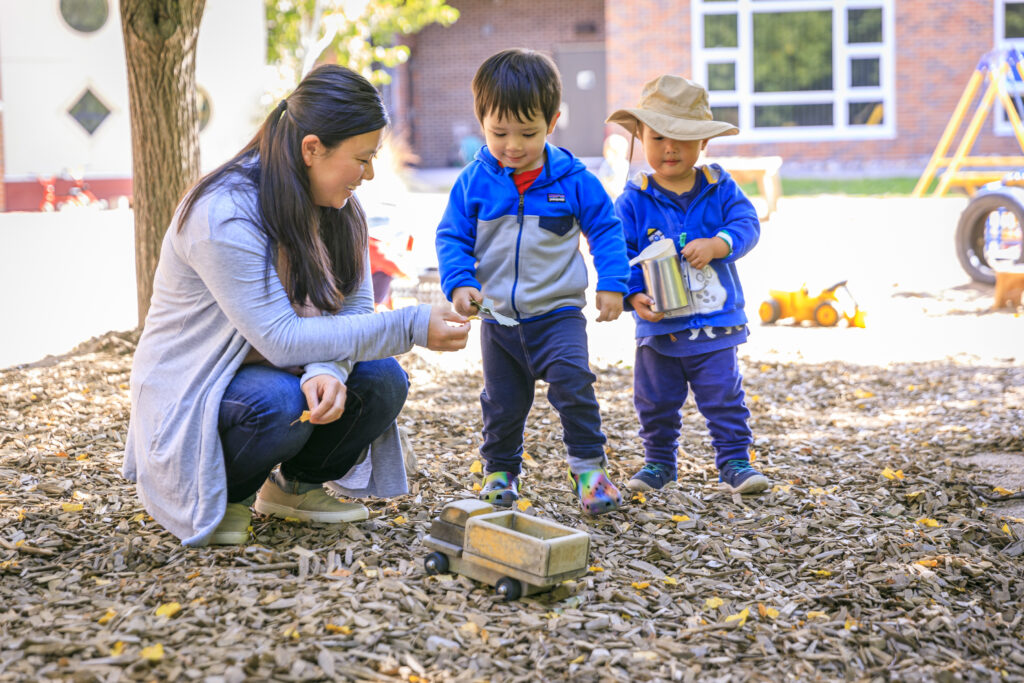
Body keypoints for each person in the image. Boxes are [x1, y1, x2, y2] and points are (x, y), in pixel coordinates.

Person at [124, 65, 470, 547]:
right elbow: (280, 338)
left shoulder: (340, 207)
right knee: (278, 405)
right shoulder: (224, 212)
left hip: (278, 366)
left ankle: (294, 488)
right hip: (201, 387)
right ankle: (225, 495)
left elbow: (353, 311)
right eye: (362, 159)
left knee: (384, 379)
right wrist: (411, 325)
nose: (369, 174)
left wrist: (326, 367)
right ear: (312, 149)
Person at [435, 48, 630, 516]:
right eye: (499, 132)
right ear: (481, 120)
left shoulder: (574, 179)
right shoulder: (473, 183)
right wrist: (460, 282)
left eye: (528, 132)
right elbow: (451, 236)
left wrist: (612, 282)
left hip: (558, 314)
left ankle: (588, 468)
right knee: (501, 403)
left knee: (574, 383)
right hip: (498, 318)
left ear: (553, 121)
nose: (514, 145)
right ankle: (500, 473)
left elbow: (606, 227)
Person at [606, 75, 768, 495]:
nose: (670, 148)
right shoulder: (635, 199)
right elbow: (616, 251)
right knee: (655, 400)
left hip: (716, 322)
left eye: (683, 138)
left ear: (704, 144)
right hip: (659, 326)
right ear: (641, 137)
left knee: (722, 395)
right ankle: (659, 462)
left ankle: (735, 460)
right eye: (658, 137)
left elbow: (747, 224)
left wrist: (719, 244)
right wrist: (631, 295)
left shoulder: (719, 186)